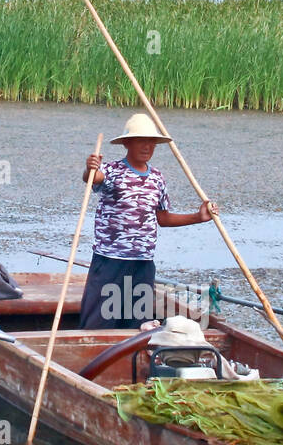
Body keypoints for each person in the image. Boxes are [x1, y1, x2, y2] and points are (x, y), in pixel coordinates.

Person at [78, 113, 217, 329]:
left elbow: (163, 217)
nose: (147, 147)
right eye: (141, 141)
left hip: (142, 263)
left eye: (151, 142)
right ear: (127, 143)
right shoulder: (113, 171)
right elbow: (93, 178)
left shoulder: (157, 178)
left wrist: (198, 217)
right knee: (99, 322)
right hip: (110, 261)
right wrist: (90, 168)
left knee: (137, 324)